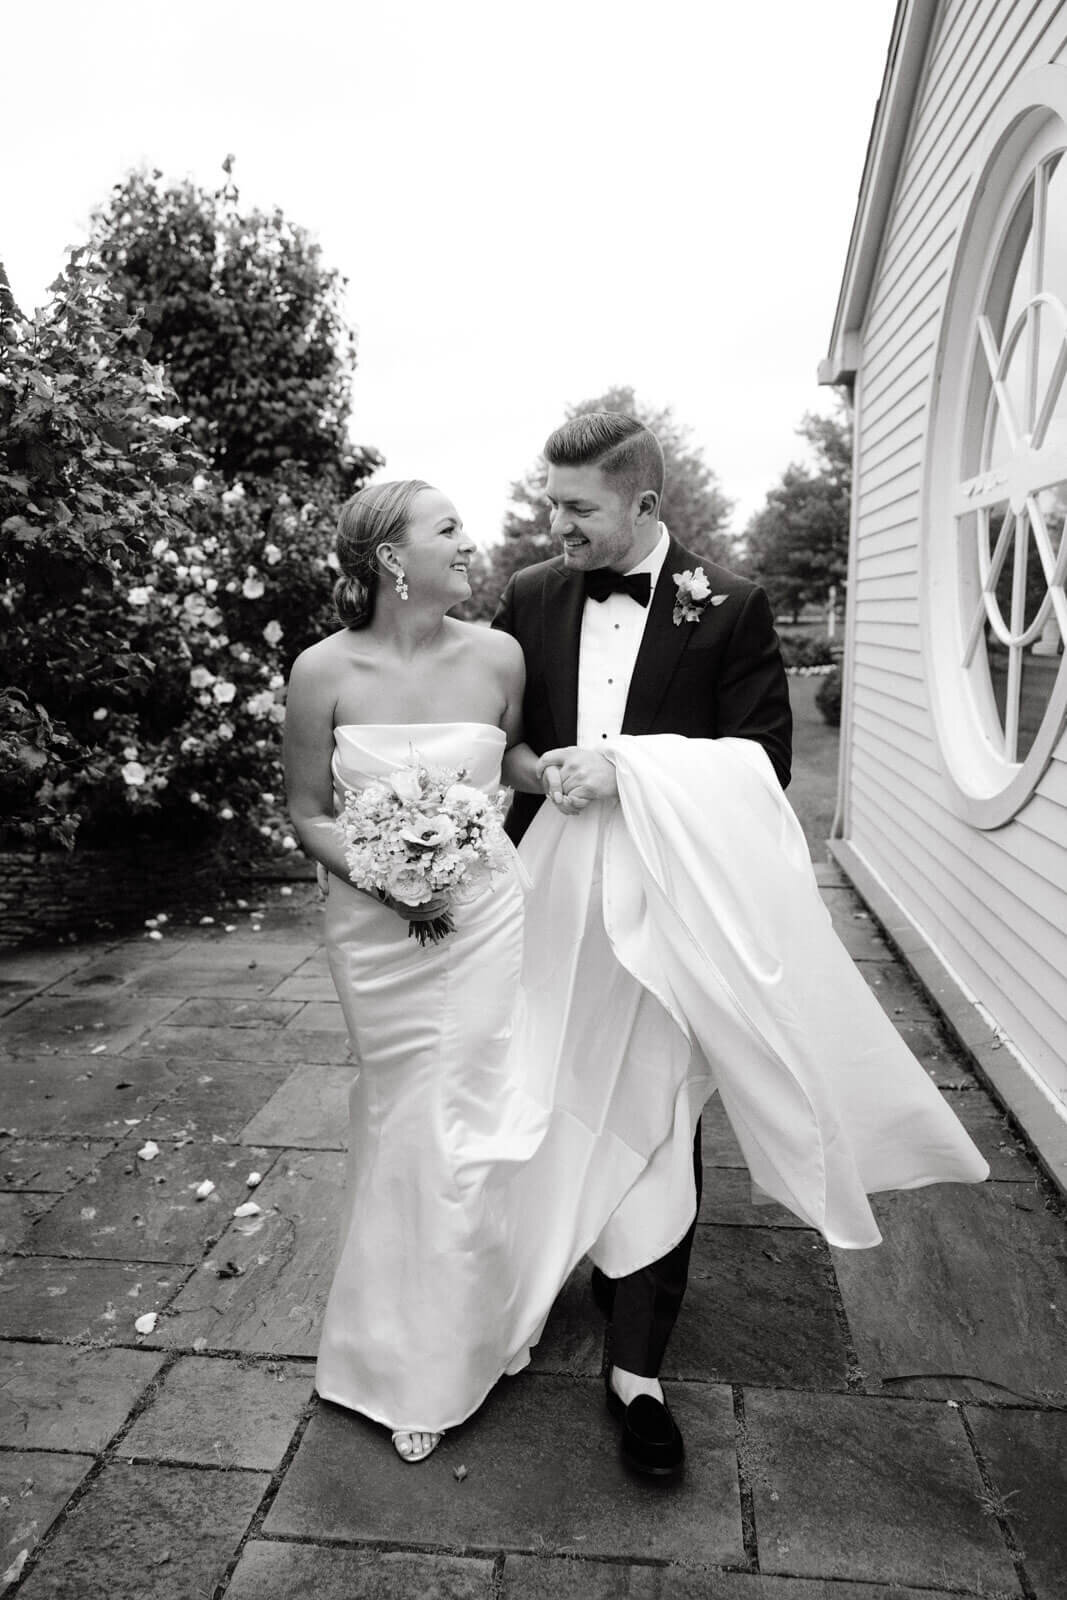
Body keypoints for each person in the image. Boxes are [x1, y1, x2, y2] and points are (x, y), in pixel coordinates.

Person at [490, 410, 986, 1478]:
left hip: (673, 905)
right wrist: (547, 774)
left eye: (575, 507)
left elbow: (759, 762)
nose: (554, 522)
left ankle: (636, 1369)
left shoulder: (733, 608)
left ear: (644, 504)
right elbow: (510, 742)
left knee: (661, 1110)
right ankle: (525, 1282)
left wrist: (631, 771)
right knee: (543, 1085)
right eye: (548, 500)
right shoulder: (529, 595)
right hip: (553, 902)